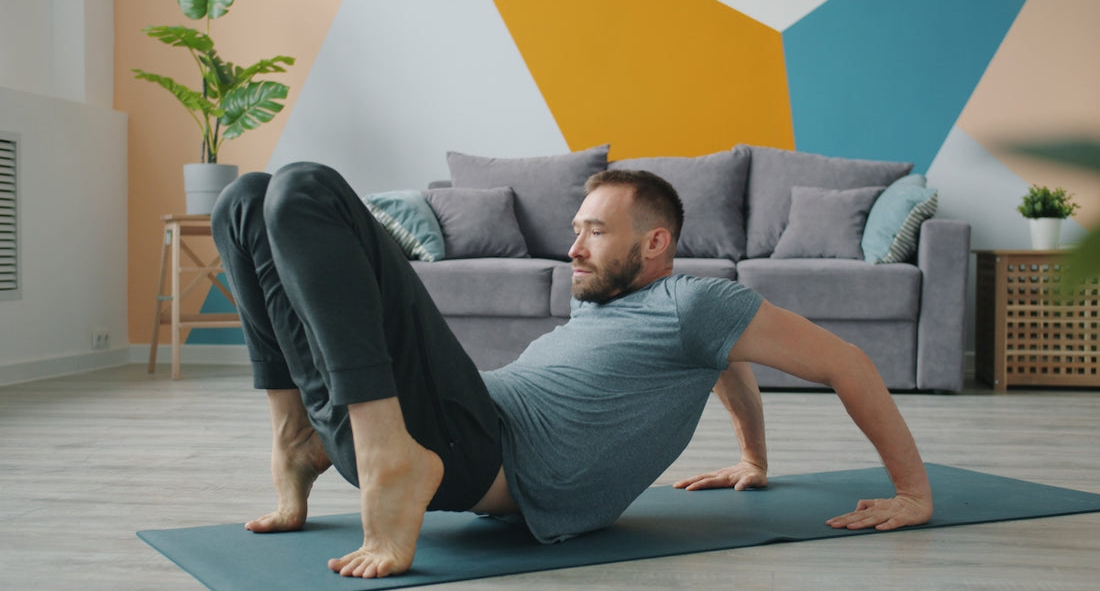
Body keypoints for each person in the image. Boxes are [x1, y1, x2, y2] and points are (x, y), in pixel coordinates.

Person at [210, 162, 933, 579]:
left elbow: (847, 361)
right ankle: (298, 439)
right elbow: (726, 357)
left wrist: (911, 490)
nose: (574, 246)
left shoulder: (699, 301)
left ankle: (385, 454)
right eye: (576, 227)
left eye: (595, 229)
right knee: (242, 201)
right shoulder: (647, 312)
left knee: (304, 189)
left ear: (653, 242)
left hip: (459, 447)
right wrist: (751, 455)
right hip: (432, 424)